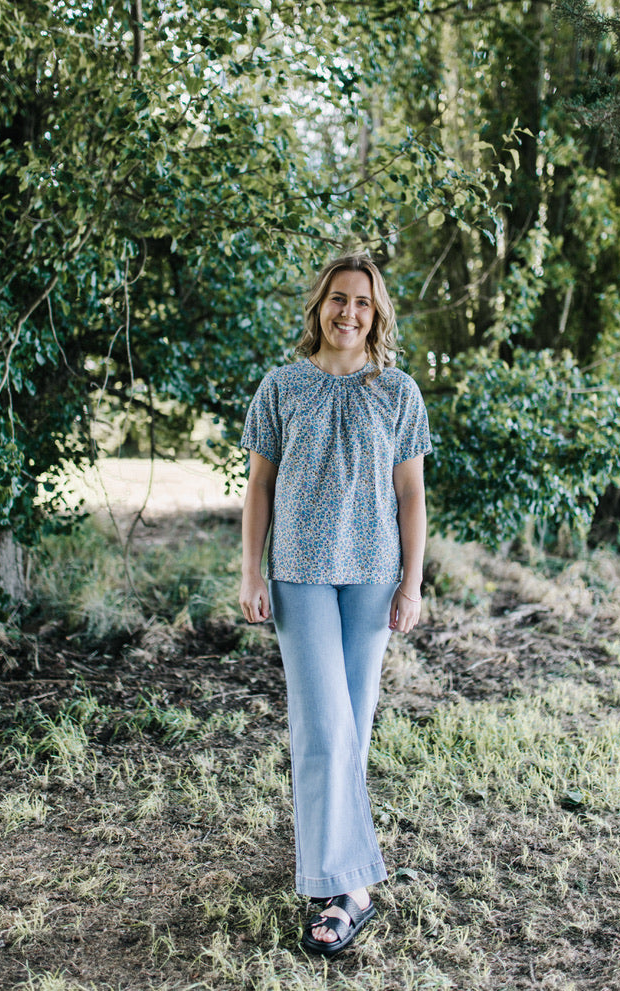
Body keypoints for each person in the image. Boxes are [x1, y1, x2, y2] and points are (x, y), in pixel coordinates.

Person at [238, 253, 431, 956]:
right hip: (299, 575)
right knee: (322, 726)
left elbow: (410, 494)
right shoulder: (281, 386)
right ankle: (344, 891)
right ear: (319, 304)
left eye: (362, 303)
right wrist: (249, 571)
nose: (348, 313)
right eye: (337, 299)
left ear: (376, 315)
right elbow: (258, 486)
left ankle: (337, 874)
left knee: (351, 727)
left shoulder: (398, 391)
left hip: (373, 576)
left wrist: (412, 580)